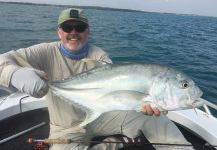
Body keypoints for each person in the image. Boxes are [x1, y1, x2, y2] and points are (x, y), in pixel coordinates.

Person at [0, 8, 194, 150]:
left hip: (102, 115)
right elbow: (3, 61)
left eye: (80, 27)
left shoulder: (99, 56)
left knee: (156, 120)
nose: (73, 32)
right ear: (59, 32)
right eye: (67, 27)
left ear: (87, 30)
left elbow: (115, 94)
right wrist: (14, 73)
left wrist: (142, 104)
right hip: (66, 127)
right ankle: (110, 145)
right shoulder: (43, 52)